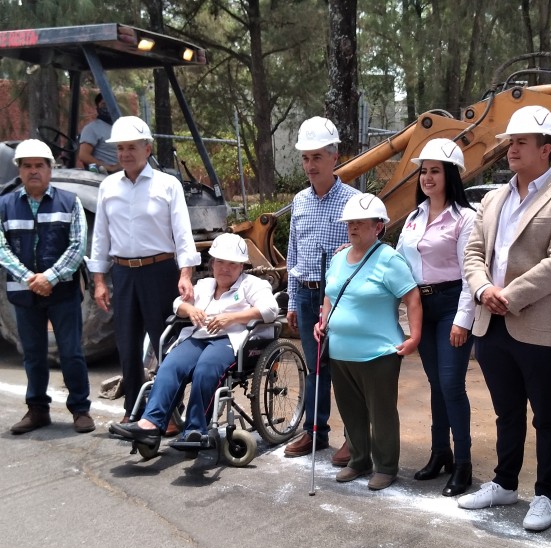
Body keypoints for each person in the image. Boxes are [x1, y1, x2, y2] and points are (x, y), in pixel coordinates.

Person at [460, 105, 551, 532]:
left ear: (546, 149)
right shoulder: (494, 198)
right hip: (491, 321)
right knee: (506, 411)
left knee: (546, 414)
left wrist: (508, 296)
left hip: (536, 324)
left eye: (520, 143)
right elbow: (474, 252)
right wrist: (483, 290)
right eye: (510, 142)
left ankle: (545, 493)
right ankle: (504, 482)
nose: (511, 149)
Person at [109, 233, 279, 446]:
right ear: (213, 263)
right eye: (220, 262)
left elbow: (271, 309)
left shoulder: (252, 285)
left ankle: (195, 430)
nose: (225, 268)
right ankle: (150, 425)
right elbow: (177, 304)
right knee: (170, 366)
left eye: (232, 264)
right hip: (199, 337)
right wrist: (189, 309)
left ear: (242, 266)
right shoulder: (205, 285)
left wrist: (232, 318)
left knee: (205, 369)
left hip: (233, 340)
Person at [87, 116, 199, 424]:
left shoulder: (167, 185)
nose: (125, 154)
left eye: (131, 147)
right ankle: (133, 410)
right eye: (120, 148)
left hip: (160, 272)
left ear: (147, 149)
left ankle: (171, 413)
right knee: (127, 343)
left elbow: (183, 234)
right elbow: (100, 238)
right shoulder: (108, 187)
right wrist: (99, 281)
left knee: (166, 344)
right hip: (122, 274)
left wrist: (185, 274)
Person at [315, 193, 422, 491]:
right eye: (350, 223)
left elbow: (412, 296)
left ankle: (386, 466)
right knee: (351, 411)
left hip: (379, 353)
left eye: (360, 223)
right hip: (340, 351)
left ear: (378, 226)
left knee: (381, 412)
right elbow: (329, 295)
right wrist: (322, 322)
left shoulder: (389, 259)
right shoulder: (338, 259)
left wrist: (414, 336)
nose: (353, 228)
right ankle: (359, 460)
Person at [396, 138, 476, 496]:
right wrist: (359, 252)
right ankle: (440, 452)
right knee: (435, 383)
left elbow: (471, 272)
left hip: (451, 306)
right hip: (421, 308)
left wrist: (463, 319)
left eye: (435, 171)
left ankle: (463, 464)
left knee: (451, 384)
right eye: (423, 171)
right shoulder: (413, 218)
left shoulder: (465, 219)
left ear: (451, 175)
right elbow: (397, 263)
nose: (427, 177)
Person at [0, 139, 94, 434]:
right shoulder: (5, 205)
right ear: (19, 170)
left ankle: (80, 409)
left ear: (50, 169)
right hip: (23, 293)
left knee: (71, 352)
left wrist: (49, 277)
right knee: (32, 353)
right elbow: (1, 248)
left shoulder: (70, 201)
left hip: (63, 292)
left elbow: (78, 246)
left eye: (39, 165)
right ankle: (37, 410)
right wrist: (30, 278)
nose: (33, 171)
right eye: (27, 166)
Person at [284, 116, 358, 465]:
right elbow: (293, 254)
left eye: (316, 157)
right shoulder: (299, 201)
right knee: (316, 369)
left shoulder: (355, 202)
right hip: (305, 292)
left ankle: (354, 439)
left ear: (334, 157)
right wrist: (291, 302)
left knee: (343, 367)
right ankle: (315, 431)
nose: (310, 165)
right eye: (305, 158)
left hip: (341, 298)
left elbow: (373, 245)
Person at [78, 94, 120, 173]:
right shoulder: (92, 128)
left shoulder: (121, 126)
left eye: (110, 104)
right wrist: (108, 167)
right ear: (97, 107)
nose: (107, 107)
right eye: (103, 104)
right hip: (106, 174)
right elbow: (83, 155)